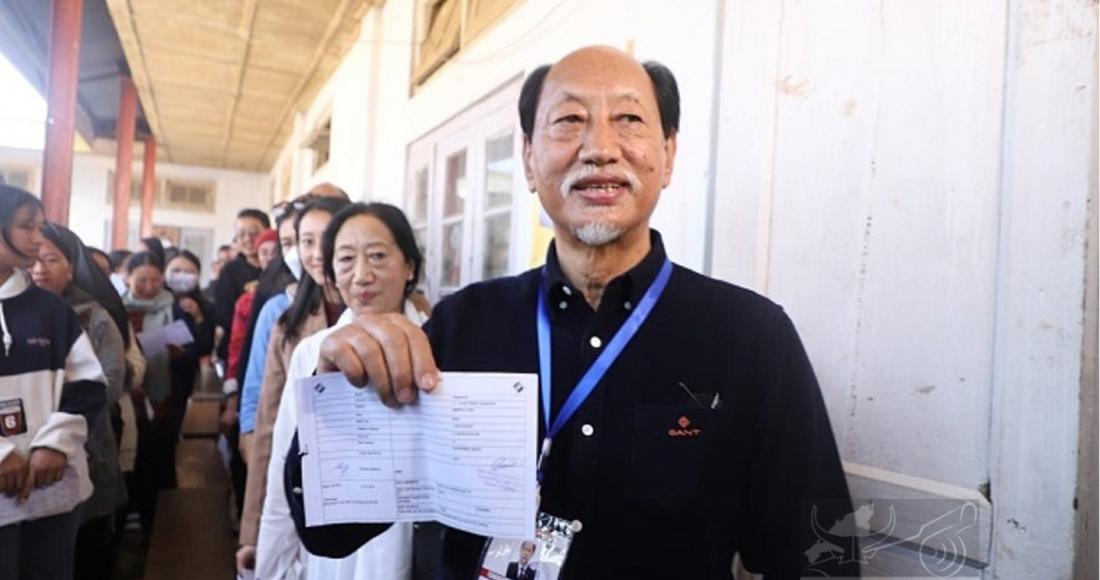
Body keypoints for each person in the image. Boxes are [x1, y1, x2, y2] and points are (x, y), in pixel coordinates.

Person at [303, 47, 856, 578]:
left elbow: (816, 560)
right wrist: (338, 399)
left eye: (629, 120)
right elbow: (331, 534)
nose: (600, 148)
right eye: (569, 120)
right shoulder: (462, 326)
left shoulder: (753, 338)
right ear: (527, 159)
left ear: (668, 155)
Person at [254, 202, 427, 579]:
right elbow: (285, 466)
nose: (361, 275)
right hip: (335, 555)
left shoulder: (439, 343)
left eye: (378, 256)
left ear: (409, 265)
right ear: (331, 273)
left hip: (415, 546)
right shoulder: (311, 353)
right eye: (346, 259)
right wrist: (271, 565)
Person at [236, 196, 349, 573]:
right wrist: (251, 530)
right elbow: (269, 427)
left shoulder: (403, 315)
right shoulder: (287, 325)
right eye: (305, 242)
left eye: (327, 238)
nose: (316, 254)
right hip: (304, 495)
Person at [0, 186, 107, 580]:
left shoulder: (51, 308)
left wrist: (53, 445)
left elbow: (89, 383)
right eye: (25, 226)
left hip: (50, 487)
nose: (36, 237)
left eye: (40, 226)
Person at [33, 224, 130, 580]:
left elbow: (109, 382)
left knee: (83, 557)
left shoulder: (95, 318)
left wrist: (48, 415)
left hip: (87, 453)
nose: (39, 269)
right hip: (17, 463)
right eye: (33, 259)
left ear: (71, 267)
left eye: (51, 260)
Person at [213, 208, 270, 364]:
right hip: (237, 346)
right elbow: (223, 315)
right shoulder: (230, 271)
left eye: (254, 233)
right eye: (241, 234)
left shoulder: (278, 268)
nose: (247, 238)